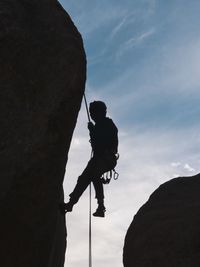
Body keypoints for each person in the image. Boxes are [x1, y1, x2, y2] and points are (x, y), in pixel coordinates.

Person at [62, 100, 118, 217]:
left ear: (100, 113)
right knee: (83, 178)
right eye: (91, 113)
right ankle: (71, 204)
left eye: (93, 113)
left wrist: (93, 131)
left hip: (107, 157)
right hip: (100, 158)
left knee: (94, 174)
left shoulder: (107, 124)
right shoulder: (101, 125)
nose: (92, 116)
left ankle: (101, 206)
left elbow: (102, 141)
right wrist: (93, 132)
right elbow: (97, 144)